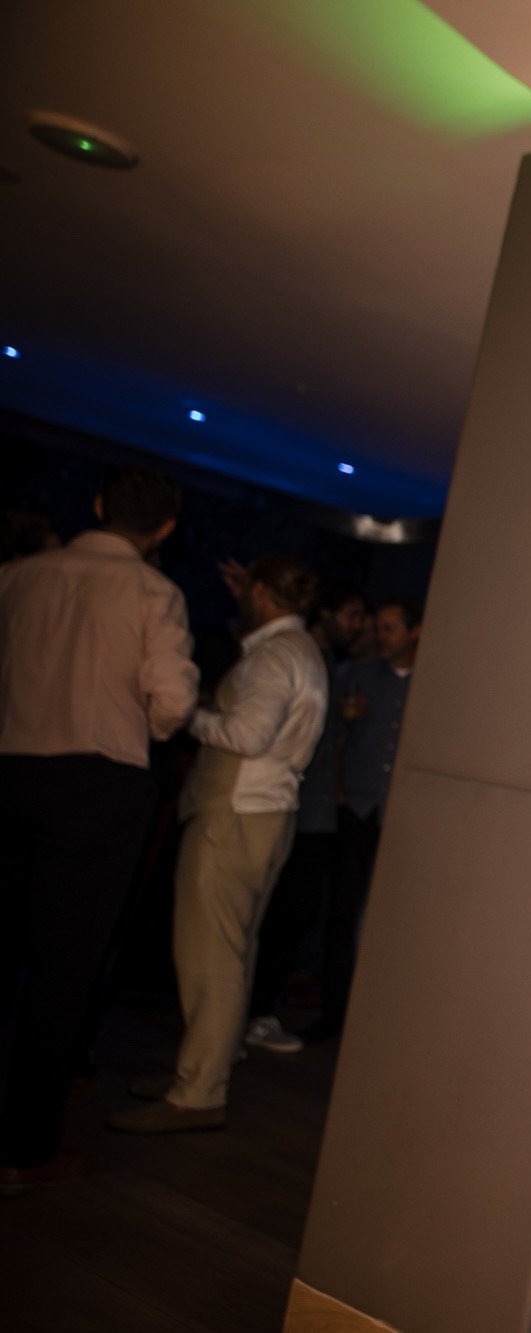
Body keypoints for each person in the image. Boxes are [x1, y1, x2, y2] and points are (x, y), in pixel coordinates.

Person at [0, 466, 198, 1189]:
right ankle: (22, 1150)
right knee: (61, 971)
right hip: (96, 783)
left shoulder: (19, 576)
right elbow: (172, 704)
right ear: (165, 529)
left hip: (8, 768)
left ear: (96, 505)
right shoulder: (154, 592)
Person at [109, 556, 326, 1133]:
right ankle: (206, 1069)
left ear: (261, 592)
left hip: (234, 817)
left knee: (210, 959)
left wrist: (192, 718)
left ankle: (199, 1091)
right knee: (233, 952)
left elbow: (248, 735)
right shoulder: (295, 649)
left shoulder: (276, 657)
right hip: (265, 816)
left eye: (247, 590)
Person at [242, 583, 367, 1053]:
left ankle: (254, 1009)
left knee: (291, 915)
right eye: (353, 614)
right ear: (325, 611)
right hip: (291, 807)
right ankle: (251, 1012)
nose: (359, 626)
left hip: (314, 813)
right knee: (279, 914)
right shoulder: (302, 658)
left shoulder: (328, 663)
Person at [307, 595, 420, 1042]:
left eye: (390, 627)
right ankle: (333, 1013)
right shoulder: (356, 677)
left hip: (402, 813)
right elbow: (336, 737)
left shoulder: (433, 681)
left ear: (414, 632)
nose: (379, 634)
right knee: (342, 911)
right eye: (377, 626)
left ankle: (376, 1017)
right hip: (356, 809)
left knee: (389, 915)